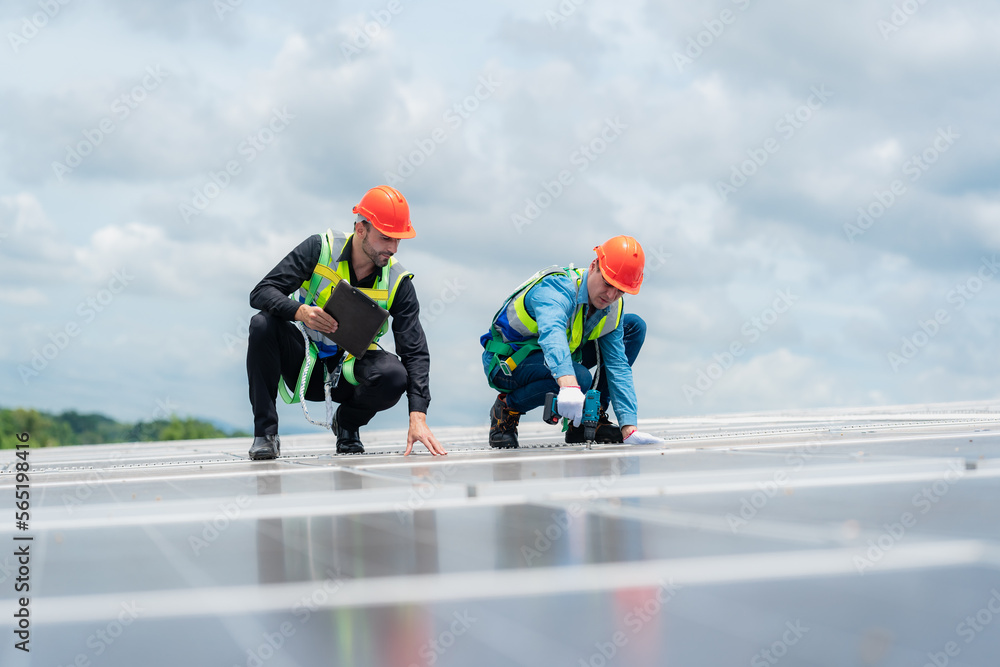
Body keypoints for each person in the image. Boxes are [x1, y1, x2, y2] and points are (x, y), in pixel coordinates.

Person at [246, 185, 446, 459]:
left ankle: (347, 425)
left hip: (349, 373)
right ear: (361, 228)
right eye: (386, 238)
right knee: (262, 324)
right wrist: (300, 311)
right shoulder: (319, 249)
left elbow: (415, 351)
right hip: (305, 366)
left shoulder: (398, 281)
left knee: (394, 375)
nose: (393, 248)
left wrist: (418, 415)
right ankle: (265, 434)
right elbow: (261, 292)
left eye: (399, 240)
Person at [481, 236, 662, 448]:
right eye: (607, 283)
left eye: (620, 290)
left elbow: (617, 366)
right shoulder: (557, 288)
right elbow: (552, 333)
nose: (611, 295)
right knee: (579, 378)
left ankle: (590, 418)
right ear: (594, 266)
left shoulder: (611, 307)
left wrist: (629, 427)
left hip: (554, 360)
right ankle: (506, 409)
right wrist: (568, 384)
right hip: (508, 363)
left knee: (633, 327)